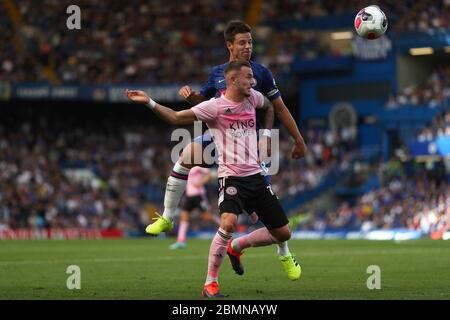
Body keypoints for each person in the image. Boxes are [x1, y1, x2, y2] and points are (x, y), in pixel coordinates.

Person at [125, 60, 306, 298]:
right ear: (232, 80)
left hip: (256, 178)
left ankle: (237, 246)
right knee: (228, 223)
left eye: (253, 77)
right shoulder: (215, 107)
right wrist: (149, 101)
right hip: (232, 179)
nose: (252, 81)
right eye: (248, 77)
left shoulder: (253, 98)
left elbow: (271, 107)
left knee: (283, 233)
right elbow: (176, 118)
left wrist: (266, 136)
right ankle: (210, 284)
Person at [169, 166, 218, 250]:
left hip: (198, 195)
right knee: (184, 216)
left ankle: (226, 230)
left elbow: (210, 174)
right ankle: (181, 241)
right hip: (189, 196)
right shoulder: (186, 166)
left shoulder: (198, 166)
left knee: (208, 216)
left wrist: (200, 183)